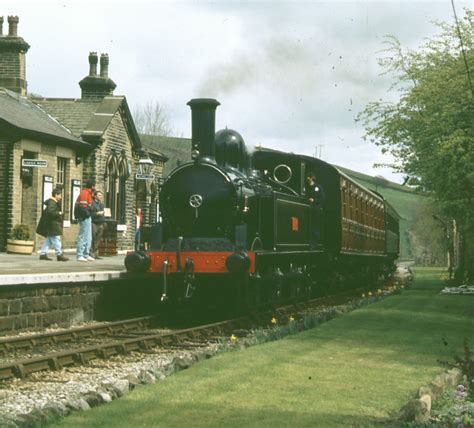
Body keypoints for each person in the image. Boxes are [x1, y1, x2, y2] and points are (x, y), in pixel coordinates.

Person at [36, 187, 69, 261]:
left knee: (48, 240)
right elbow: (50, 212)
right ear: (56, 195)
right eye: (60, 195)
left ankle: (43, 254)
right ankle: (59, 255)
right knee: (57, 240)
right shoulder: (52, 203)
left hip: (51, 225)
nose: (61, 197)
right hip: (53, 225)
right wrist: (59, 213)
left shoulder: (52, 202)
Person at [74, 179, 96, 262]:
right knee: (83, 236)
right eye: (94, 186)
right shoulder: (85, 193)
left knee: (88, 237)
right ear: (92, 186)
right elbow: (83, 207)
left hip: (87, 217)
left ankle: (86, 254)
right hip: (84, 217)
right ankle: (80, 254)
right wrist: (88, 213)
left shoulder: (88, 194)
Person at [305, 173, 325, 242]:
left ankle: (315, 241)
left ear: (311, 178)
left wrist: (314, 200)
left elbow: (322, 198)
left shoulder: (318, 187)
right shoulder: (306, 187)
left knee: (315, 225)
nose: (307, 179)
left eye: (308, 177)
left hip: (316, 209)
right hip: (307, 209)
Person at [91, 190, 106, 260]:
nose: (101, 197)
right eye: (99, 195)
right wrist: (97, 213)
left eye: (101, 195)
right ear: (95, 196)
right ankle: (91, 253)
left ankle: (96, 253)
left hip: (100, 223)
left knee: (98, 239)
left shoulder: (101, 204)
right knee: (93, 238)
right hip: (94, 222)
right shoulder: (92, 203)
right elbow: (90, 213)